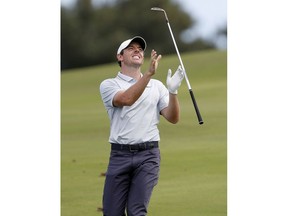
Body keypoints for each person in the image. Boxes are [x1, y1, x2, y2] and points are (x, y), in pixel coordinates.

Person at [99, 36, 184, 216]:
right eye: (131, 48)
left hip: (148, 156)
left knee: (137, 211)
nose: (137, 50)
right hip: (119, 155)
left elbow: (173, 117)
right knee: (111, 213)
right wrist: (148, 75)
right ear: (120, 57)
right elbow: (126, 99)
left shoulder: (157, 86)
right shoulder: (109, 85)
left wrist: (173, 92)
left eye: (139, 48)